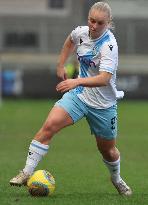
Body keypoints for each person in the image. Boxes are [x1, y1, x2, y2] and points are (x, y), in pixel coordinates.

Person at [10, 2, 132, 196]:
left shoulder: (109, 46)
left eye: (100, 22)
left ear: (108, 23)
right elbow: (70, 40)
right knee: (49, 125)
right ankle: (26, 172)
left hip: (103, 105)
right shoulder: (81, 32)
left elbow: (104, 79)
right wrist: (61, 64)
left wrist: (76, 81)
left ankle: (116, 179)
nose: (94, 25)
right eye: (92, 20)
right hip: (79, 96)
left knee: (107, 151)